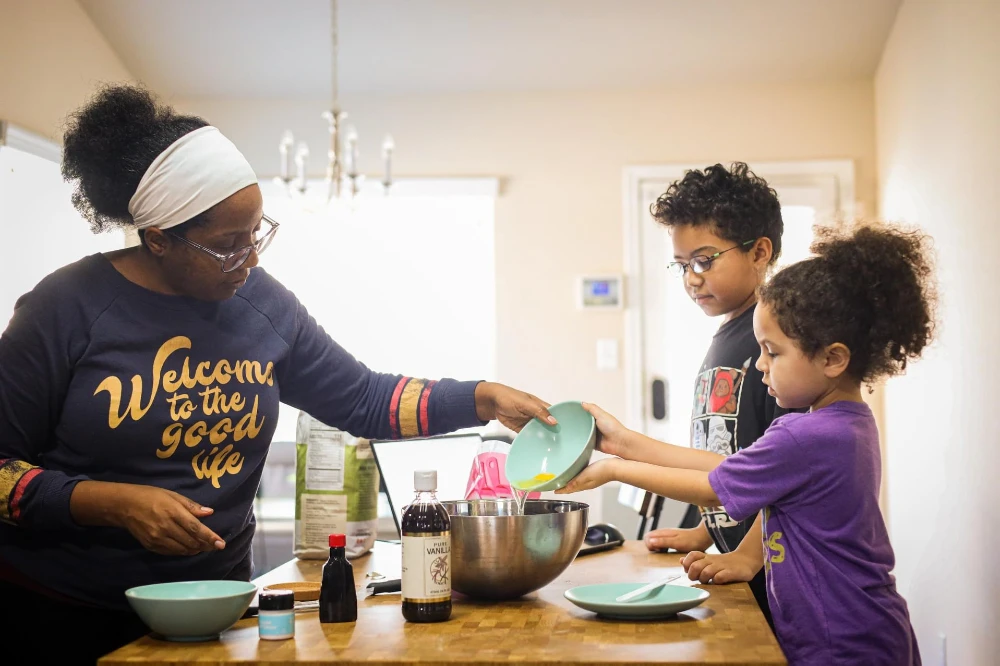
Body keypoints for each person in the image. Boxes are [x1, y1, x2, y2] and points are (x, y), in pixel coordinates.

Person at [0, 84, 554, 663]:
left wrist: (483, 399)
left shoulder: (262, 306)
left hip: (217, 605)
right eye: (227, 245)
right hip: (63, 610)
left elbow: (363, 398)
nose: (251, 259)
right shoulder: (66, 307)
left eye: (258, 233)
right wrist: (109, 501)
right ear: (160, 239)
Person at [559, 222, 931, 665]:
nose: (759, 365)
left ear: (833, 358)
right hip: (866, 629)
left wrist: (613, 469)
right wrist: (624, 443)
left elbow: (712, 485)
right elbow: (720, 466)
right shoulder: (847, 422)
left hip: (842, 642)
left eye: (773, 352)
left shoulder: (806, 435)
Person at [639, 162, 792, 625]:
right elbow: (730, 452)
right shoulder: (726, 338)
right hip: (736, 565)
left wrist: (748, 556)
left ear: (759, 252)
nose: (691, 278)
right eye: (683, 265)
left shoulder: (776, 346)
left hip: (771, 574)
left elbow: (785, 477)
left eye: (705, 260)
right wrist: (705, 532)